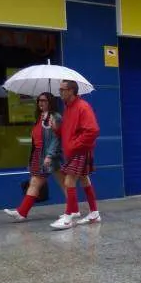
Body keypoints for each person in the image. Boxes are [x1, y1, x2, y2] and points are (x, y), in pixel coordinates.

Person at [4, 92, 64, 220]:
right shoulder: (41, 116)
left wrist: (49, 155)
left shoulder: (55, 117)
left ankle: (73, 210)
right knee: (36, 182)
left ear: (50, 102)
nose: (40, 103)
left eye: (44, 100)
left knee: (64, 183)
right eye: (39, 100)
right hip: (39, 154)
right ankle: (22, 212)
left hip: (50, 156)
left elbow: (57, 138)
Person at [51, 79, 101, 230]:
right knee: (84, 180)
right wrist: (56, 128)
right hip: (75, 151)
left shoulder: (82, 107)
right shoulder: (68, 108)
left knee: (69, 181)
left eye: (62, 89)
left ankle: (68, 218)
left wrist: (74, 145)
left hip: (79, 150)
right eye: (60, 89)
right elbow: (67, 131)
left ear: (71, 91)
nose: (60, 92)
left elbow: (93, 130)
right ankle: (94, 213)